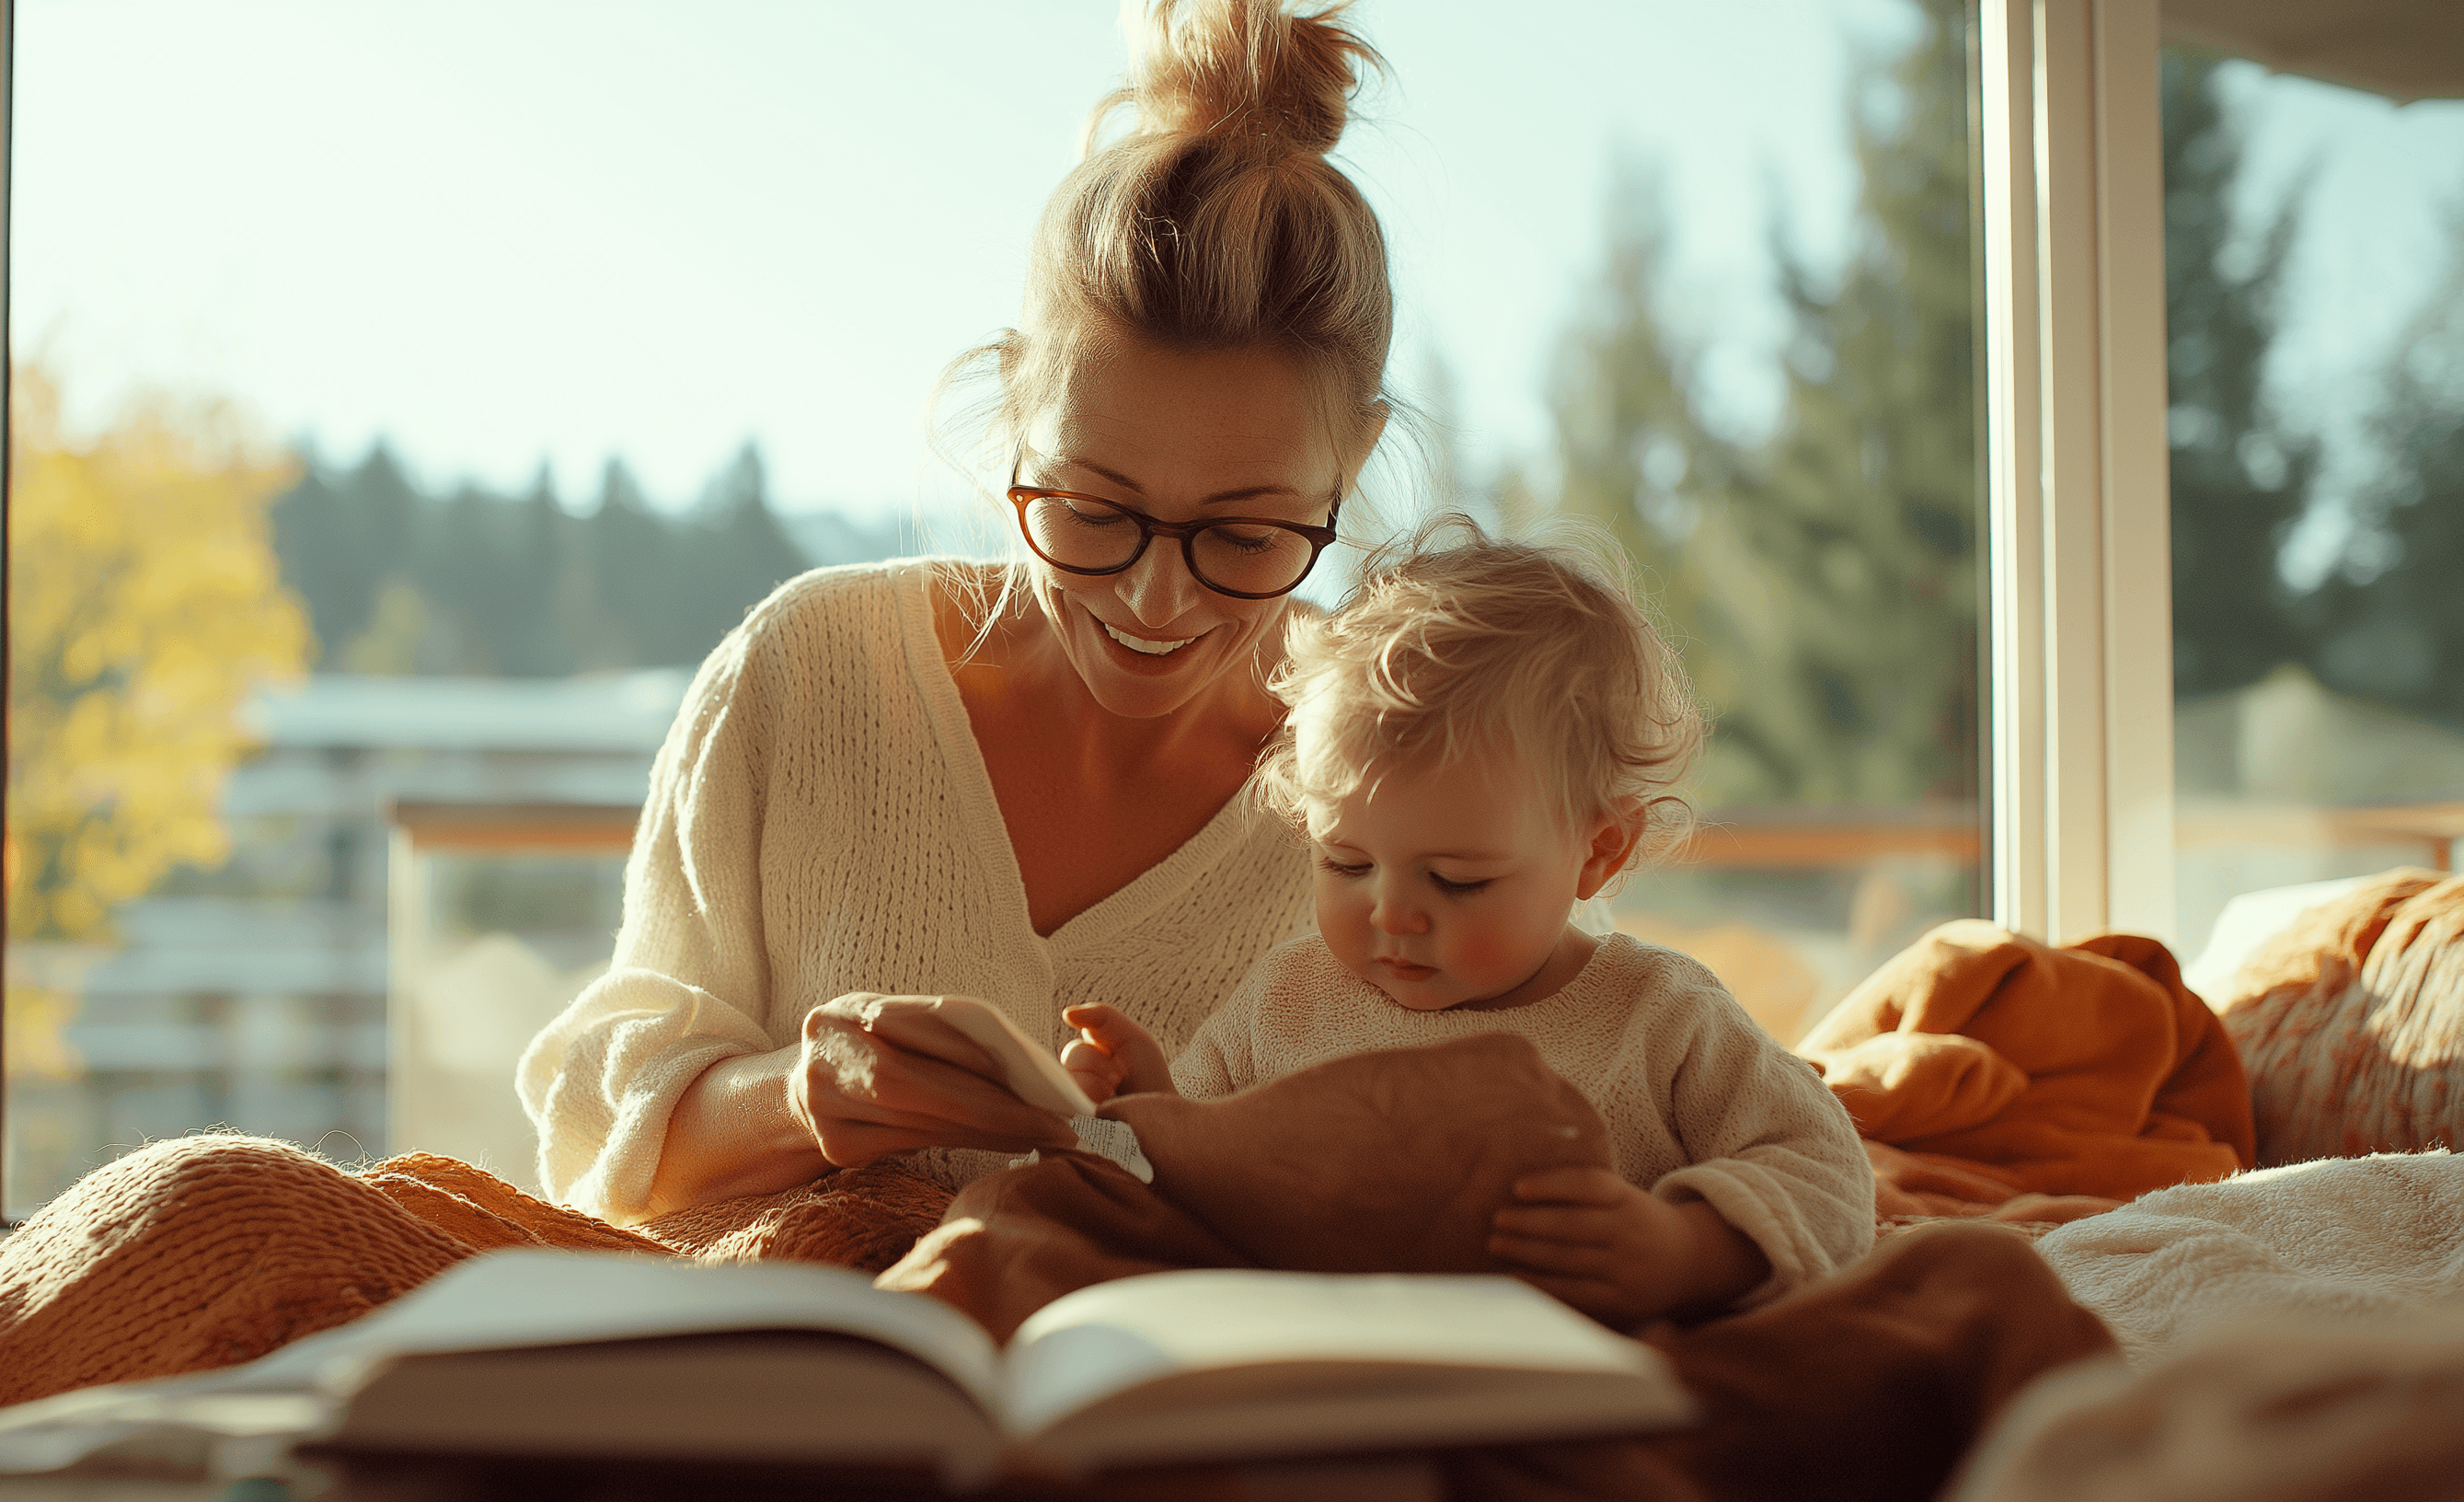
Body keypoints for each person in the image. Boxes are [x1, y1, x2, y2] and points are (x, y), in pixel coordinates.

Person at [516, 0, 1399, 1223]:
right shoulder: (808, 671)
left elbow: (1577, 1122)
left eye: (1246, 535)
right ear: (1010, 413)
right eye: (1093, 509)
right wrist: (805, 1097)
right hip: (780, 1369)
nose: (1155, 599)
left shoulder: (1412, 761)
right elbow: (599, 1140)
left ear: (1354, 460)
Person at [1060, 520, 1878, 1323]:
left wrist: (1685, 1251)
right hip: (1316, 1366)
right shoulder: (1285, 1000)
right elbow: (1189, 1175)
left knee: (1963, 1285)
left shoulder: (1659, 1015)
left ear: (1598, 850)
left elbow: (1826, 1171)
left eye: (1457, 881)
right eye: (1344, 863)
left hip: (1575, 1374)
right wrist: (1147, 1105)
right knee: (1016, 1227)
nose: (1390, 913)